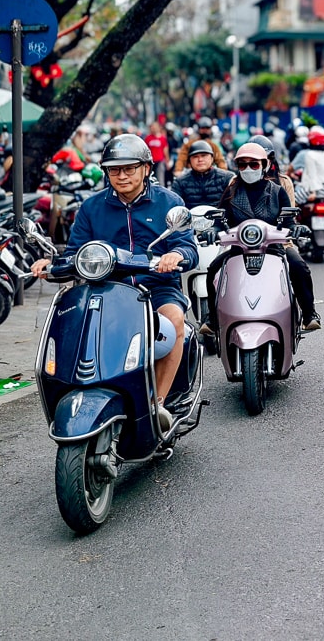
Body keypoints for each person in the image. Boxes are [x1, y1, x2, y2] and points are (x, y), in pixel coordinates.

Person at [30, 134, 198, 432]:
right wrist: (52, 265)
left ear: (146, 168)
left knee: (174, 322)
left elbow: (188, 248)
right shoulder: (92, 207)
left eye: (129, 168)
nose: (121, 175)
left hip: (155, 287)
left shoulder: (168, 203)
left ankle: (157, 404)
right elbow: (74, 254)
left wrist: (175, 254)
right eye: (113, 169)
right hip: (104, 290)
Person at [202, 142, 321, 333]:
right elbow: (220, 217)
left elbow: (289, 222)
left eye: (254, 164)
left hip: (274, 247)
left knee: (299, 266)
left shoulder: (277, 190)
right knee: (213, 270)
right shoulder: (231, 191)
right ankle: (213, 320)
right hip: (238, 249)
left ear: (264, 165)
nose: (248, 169)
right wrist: (213, 230)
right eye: (243, 165)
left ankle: (309, 314)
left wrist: (296, 229)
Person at [171, 140, 232, 208]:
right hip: (191, 217)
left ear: (212, 158)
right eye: (195, 156)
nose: (200, 159)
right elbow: (175, 208)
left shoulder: (227, 178)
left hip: (221, 217)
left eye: (204, 155)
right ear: (189, 161)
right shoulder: (180, 182)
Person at [291, 127, 324, 203]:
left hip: (313, 190)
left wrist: (314, 193)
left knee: (292, 203)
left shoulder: (308, 155)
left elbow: (311, 175)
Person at [250, 135, 296, 206]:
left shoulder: (284, 182)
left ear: (270, 160)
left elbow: (290, 213)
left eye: (263, 160)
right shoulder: (235, 183)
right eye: (252, 161)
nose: (257, 165)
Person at [145, 121, 170, 186]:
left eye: (155, 127)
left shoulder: (162, 138)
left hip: (160, 160)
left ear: (158, 128)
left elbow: (165, 150)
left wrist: (167, 162)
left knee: (160, 178)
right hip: (150, 161)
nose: (153, 129)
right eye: (152, 127)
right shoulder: (148, 138)